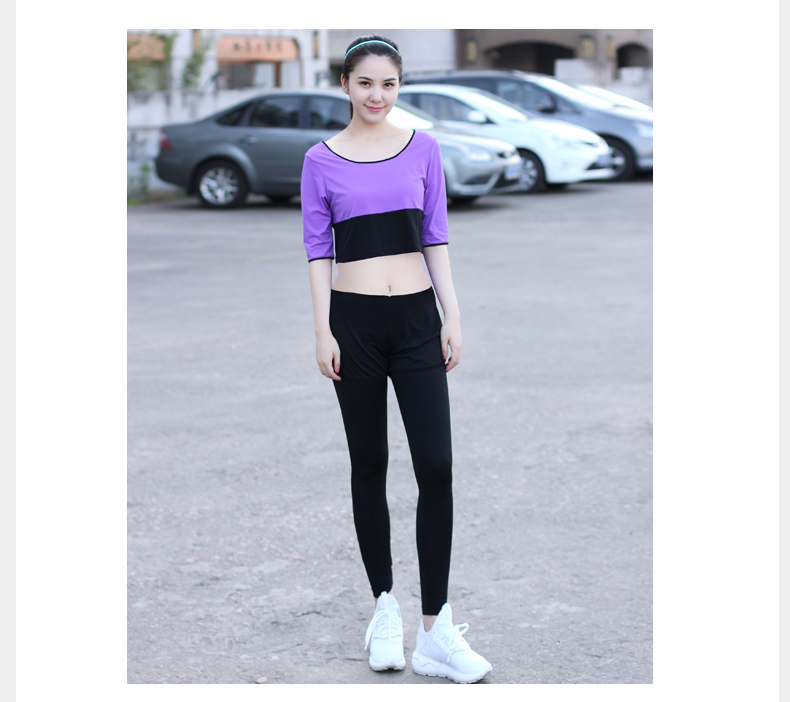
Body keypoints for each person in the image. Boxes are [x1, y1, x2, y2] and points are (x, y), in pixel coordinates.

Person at [301, 34, 493, 684]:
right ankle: (384, 606)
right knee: (370, 465)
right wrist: (323, 330)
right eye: (365, 83)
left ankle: (435, 630)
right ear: (345, 85)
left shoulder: (423, 149)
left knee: (436, 467)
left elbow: (435, 235)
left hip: (415, 321)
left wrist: (452, 315)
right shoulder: (320, 160)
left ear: (399, 86)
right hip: (353, 325)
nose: (376, 95)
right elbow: (318, 250)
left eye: (387, 83)